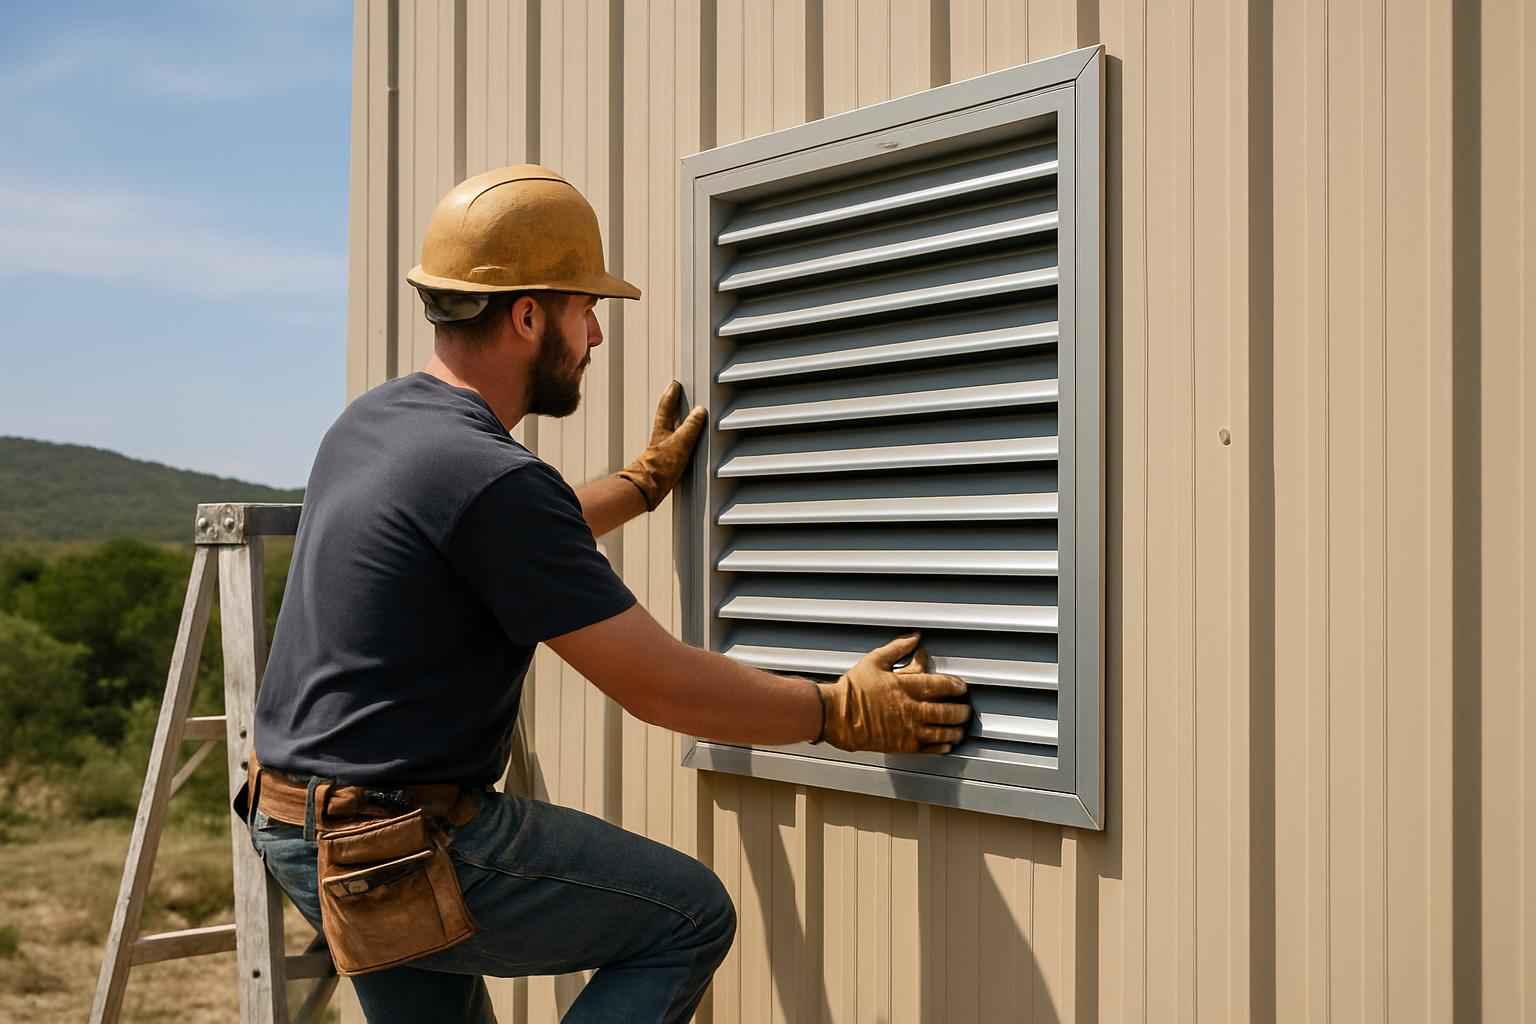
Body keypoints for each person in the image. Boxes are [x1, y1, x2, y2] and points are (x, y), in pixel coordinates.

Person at [242, 165, 971, 1023]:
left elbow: (486, 540)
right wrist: (835, 711)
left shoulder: (375, 423)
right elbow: (656, 685)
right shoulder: (491, 478)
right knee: (687, 916)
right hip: (393, 842)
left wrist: (638, 484)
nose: (594, 335)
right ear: (525, 317)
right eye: (585, 309)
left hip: (295, 824)